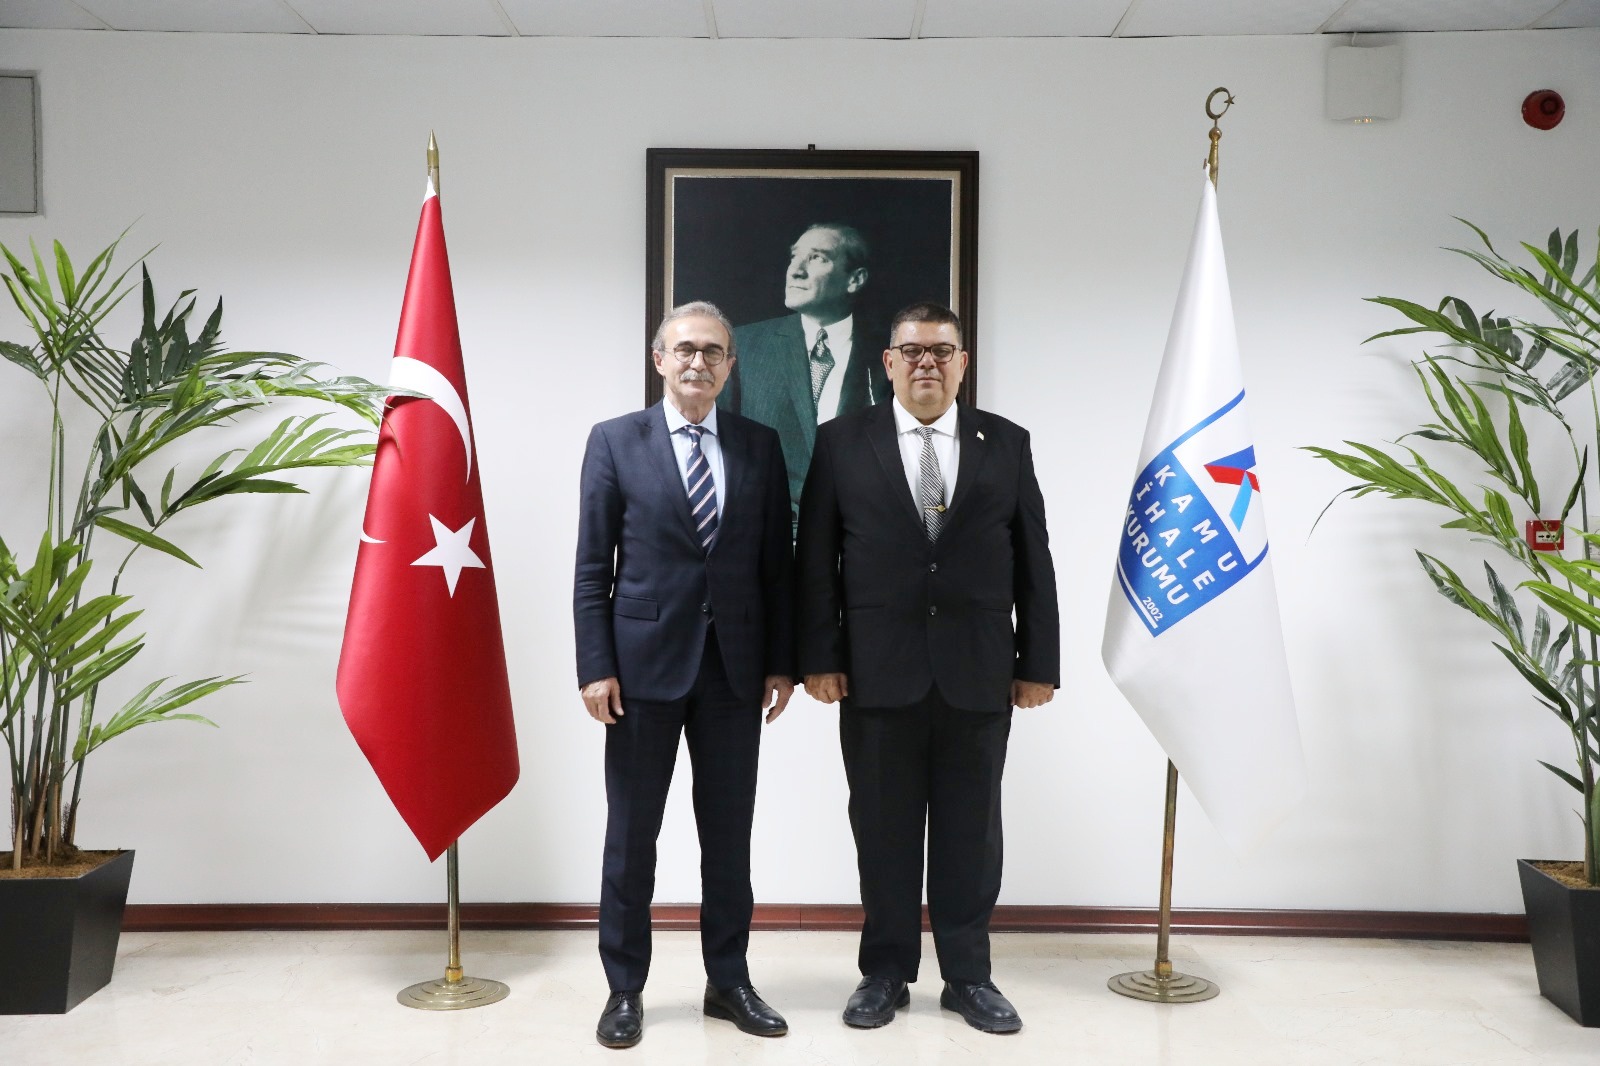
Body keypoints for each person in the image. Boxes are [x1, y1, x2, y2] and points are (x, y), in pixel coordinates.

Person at [794, 302, 1060, 1035]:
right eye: (912, 351)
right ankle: (884, 972)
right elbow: (816, 561)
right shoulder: (842, 442)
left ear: (962, 363)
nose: (927, 364)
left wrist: (1037, 661)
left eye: (942, 351)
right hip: (876, 673)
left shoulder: (1006, 443)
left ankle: (968, 976)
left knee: (972, 833)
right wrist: (819, 657)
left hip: (979, 672)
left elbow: (1033, 559)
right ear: (888, 363)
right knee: (883, 830)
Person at [574, 301, 796, 1049]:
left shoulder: (760, 445)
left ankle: (728, 981)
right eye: (685, 349)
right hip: (640, 675)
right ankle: (624, 988)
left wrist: (781, 663)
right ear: (659, 360)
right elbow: (591, 568)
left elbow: (777, 567)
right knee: (631, 837)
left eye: (713, 351)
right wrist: (596, 666)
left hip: (735, 673)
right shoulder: (615, 441)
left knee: (729, 839)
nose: (698, 361)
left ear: (730, 366)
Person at [720, 222, 892, 520]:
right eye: (794, 257)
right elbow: (722, 446)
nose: (795, 271)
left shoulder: (889, 354)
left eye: (816, 258)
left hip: (859, 532)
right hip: (766, 531)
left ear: (855, 279)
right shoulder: (744, 346)